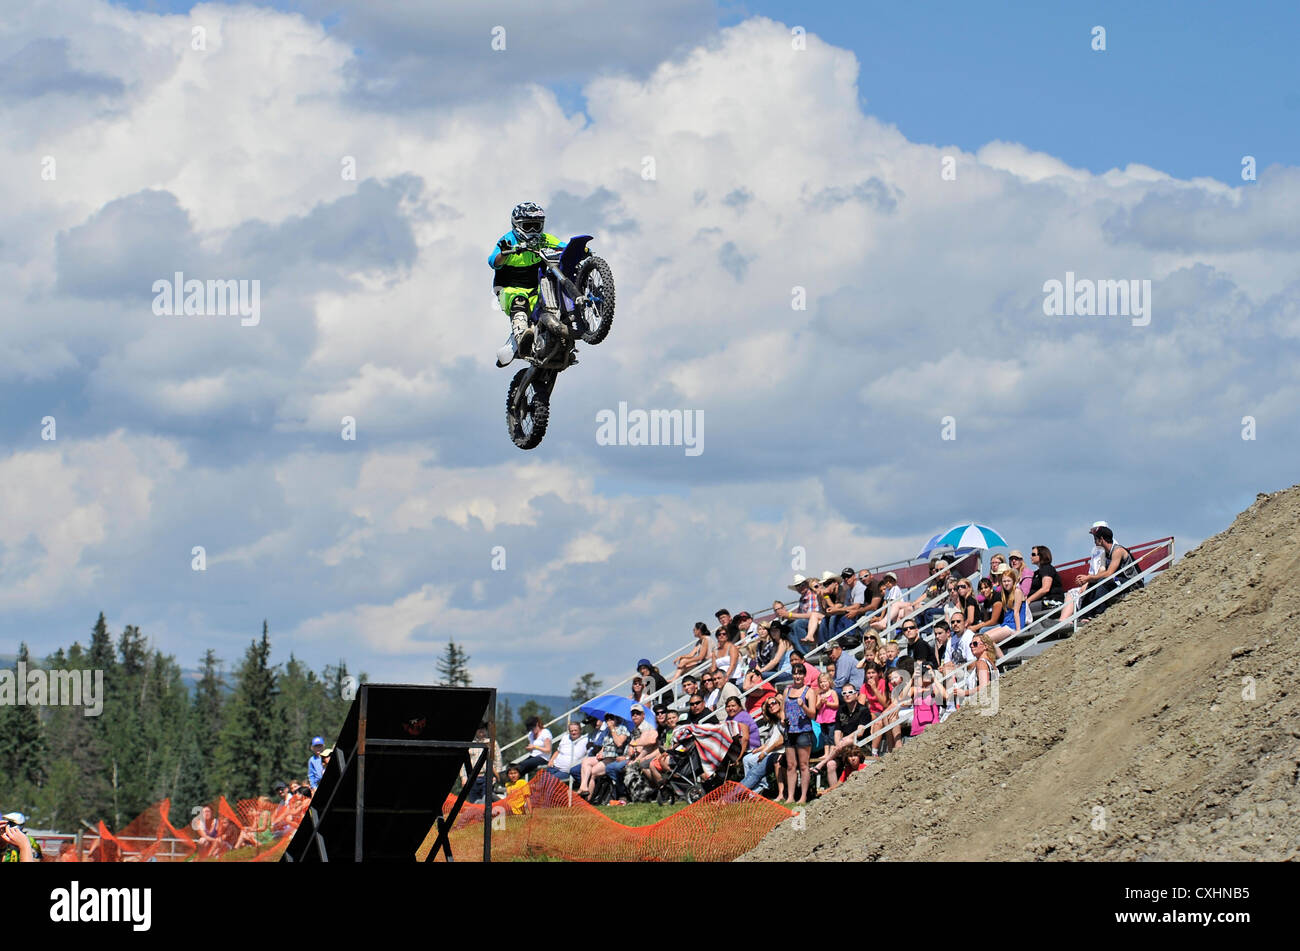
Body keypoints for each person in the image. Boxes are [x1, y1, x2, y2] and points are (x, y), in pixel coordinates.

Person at [489, 201, 569, 366]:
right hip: (507, 288)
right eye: (528, 226)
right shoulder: (508, 240)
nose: (533, 231)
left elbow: (564, 247)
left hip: (535, 288)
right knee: (520, 302)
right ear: (517, 225)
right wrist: (504, 254)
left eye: (536, 226)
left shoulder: (545, 239)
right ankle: (521, 340)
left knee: (554, 300)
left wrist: (577, 251)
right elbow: (493, 261)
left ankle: (561, 339)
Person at [1075, 525, 1142, 616]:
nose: (1094, 541)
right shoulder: (1104, 553)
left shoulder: (1117, 550)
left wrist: (1089, 577)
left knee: (1105, 581)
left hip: (1132, 583)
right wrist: (1088, 579)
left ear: (1101, 539)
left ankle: (1099, 612)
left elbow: (1109, 574)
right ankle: (1085, 615)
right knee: (1093, 583)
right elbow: (1101, 573)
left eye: (1095, 538)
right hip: (1118, 580)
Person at [781, 666, 818, 804]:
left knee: (803, 765)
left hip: (803, 731)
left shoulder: (809, 692)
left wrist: (803, 706)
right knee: (791, 765)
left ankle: (803, 796)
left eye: (800, 674)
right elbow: (783, 710)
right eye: (795, 674)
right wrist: (782, 719)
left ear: (804, 675)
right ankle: (790, 796)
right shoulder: (787, 690)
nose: (797, 676)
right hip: (790, 731)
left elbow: (813, 714)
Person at [741, 695, 787, 795]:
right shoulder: (776, 721)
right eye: (768, 705)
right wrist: (762, 749)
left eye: (773, 703)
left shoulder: (784, 719)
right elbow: (771, 741)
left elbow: (781, 741)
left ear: (780, 704)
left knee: (754, 773)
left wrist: (765, 752)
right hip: (774, 751)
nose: (771, 706)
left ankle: (733, 796)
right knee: (751, 766)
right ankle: (750, 791)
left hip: (778, 752)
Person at [577, 713, 629, 798]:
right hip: (605, 756)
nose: (609, 721)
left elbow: (619, 743)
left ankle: (587, 799)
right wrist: (600, 752)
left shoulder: (622, 729)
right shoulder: (607, 731)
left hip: (614, 757)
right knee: (586, 761)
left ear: (616, 719)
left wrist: (612, 728)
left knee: (593, 772)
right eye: (607, 719)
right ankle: (583, 787)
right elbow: (605, 745)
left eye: (611, 718)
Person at [984, 569, 1028, 644]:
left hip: (1013, 625)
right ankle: (999, 655)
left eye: (1008, 581)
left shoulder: (1017, 591)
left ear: (1013, 581)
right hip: (1006, 624)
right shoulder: (1005, 594)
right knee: (984, 636)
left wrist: (1018, 630)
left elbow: (1016, 612)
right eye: (1004, 581)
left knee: (987, 639)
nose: (1006, 583)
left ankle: (1000, 655)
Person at [1026, 545, 1065, 618]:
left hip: (1051, 601)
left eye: (1033, 554)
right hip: (1040, 602)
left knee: (1020, 611)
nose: (1031, 556)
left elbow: (1045, 588)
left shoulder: (1047, 568)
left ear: (1041, 555)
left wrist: (1028, 600)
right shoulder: (1037, 573)